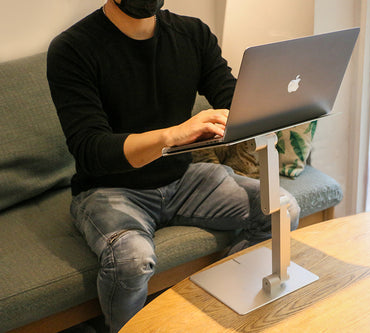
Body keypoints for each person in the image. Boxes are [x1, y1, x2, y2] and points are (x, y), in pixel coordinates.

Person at [46, 0, 300, 332]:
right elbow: (91, 148)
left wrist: (273, 100)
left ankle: (210, 307)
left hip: (184, 179)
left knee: (282, 209)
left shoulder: (192, 33)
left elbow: (230, 96)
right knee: (131, 260)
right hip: (109, 188)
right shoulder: (73, 48)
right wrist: (172, 136)